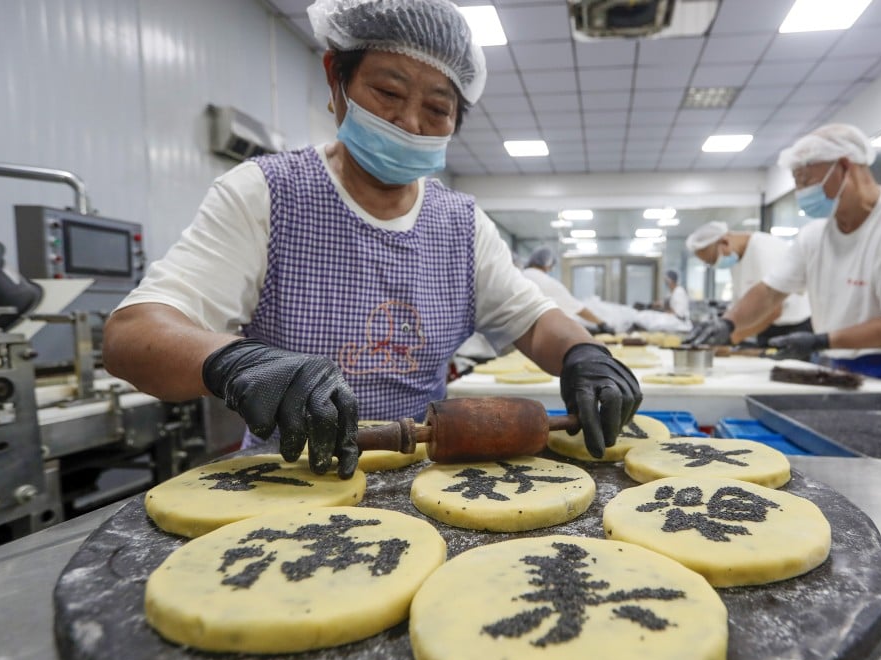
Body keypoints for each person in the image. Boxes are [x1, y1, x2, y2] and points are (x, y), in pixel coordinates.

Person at [102, 0, 641, 479]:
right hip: (287, 478)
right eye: (387, 92)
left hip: (423, 476)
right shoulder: (267, 195)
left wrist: (583, 354)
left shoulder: (461, 226)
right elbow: (133, 336)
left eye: (436, 110)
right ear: (336, 78)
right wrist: (236, 363)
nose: (408, 122)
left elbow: (535, 321)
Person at [687, 123, 881, 399]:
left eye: (807, 180)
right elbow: (769, 292)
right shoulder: (815, 236)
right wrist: (728, 324)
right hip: (845, 365)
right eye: (797, 183)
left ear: (845, 166)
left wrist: (821, 341)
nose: (802, 192)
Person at [685, 221, 813, 346]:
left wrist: (732, 338)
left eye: (713, 259)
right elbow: (739, 305)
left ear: (725, 242)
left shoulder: (764, 249)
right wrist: (719, 328)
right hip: (766, 328)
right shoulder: (736, 259)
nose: (715, 265)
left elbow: (774, 308)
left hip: (794, 329)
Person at [521, 246, 612, 332]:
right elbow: (577, 308)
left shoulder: (519, 276)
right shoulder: (547, 282)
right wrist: (601, 323)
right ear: (547, 264)